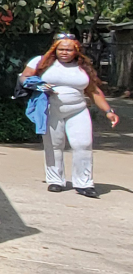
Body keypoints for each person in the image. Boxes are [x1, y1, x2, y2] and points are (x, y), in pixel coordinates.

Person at [19, 34, 119, 197]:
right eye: (61, 49)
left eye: (69, 49)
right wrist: (36, 84)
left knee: (83, 144)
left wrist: (108, 111)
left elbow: (93, 91)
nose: (64, 52)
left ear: (76, 51)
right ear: (55, 49)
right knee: (54, 145)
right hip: (51, 109)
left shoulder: (83, 67)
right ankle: (55, 180)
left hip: (77, 109)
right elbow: (24, 77)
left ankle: (84, 183)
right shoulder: (42, 62)